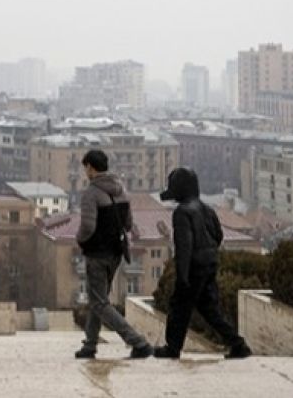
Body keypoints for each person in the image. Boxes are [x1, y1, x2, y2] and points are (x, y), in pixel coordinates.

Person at [154, 167, 252, 360]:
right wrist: (208, 253)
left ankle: (172, 348)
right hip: (209, 264)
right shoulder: (207, 209)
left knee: (179, 308)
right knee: (209, 310)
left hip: (193, 268)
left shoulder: (182, 212)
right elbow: (218, 236)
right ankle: (237, 344)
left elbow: (184, 247)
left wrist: (182, 277)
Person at [74, 149, 152, 360]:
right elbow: (128, 224)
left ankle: (138, 341)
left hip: (97, 253)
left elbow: (88, 226)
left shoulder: (91, 193)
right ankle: (90, 345)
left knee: (99, 302)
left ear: (90, 167)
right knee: (98, 299)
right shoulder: (121, 190)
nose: (85, 172)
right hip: (116, 253)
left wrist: (80, 239)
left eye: (86, 167)